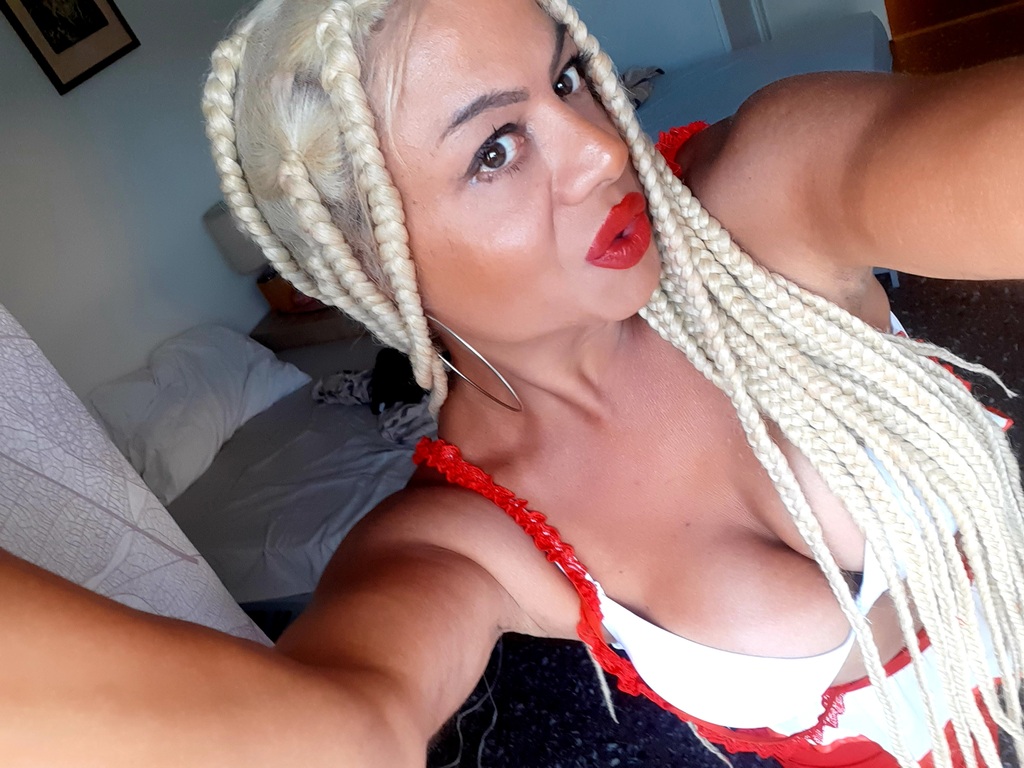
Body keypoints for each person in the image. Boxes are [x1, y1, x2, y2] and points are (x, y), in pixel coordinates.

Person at [2, 0, 1023, 765]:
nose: (601, 150)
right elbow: (337, 735)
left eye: (568, 76)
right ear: (372, 267)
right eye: (496, 149)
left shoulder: (759, 197)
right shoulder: (462, 539)